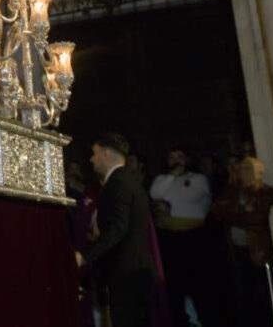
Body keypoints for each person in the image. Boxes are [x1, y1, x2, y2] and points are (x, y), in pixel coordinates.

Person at [77, 132, 155, 327]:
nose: (91, 159)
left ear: (106, 153)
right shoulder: (127, 180)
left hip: (127, 273)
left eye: (94, 153)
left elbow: (118, 228)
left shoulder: (118, 182)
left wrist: (84, 256)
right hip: (132, 272)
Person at [211, 156, 273, 327]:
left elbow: (257, 217)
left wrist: (236, 214)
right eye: (240, 168)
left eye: (247, 168)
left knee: (264, 295)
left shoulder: (268, 192)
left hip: (259, 252)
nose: (241, 172)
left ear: (259, 173)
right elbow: (217, 211)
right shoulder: (232, 191)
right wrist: (241, 213)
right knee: (243, 295)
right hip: (237, 252)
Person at [149, 147, 215, 326]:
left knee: (199, 284)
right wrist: (173, 176)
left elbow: (191, 197)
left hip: (195, 238)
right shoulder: (161, 179)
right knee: (174, 285)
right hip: (171, 238)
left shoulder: (198, 179)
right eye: (171, 157)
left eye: (179, 157)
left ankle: (204, 320)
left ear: (187, 159)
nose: (175, 160)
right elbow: (155, 194)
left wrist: (168, 197)